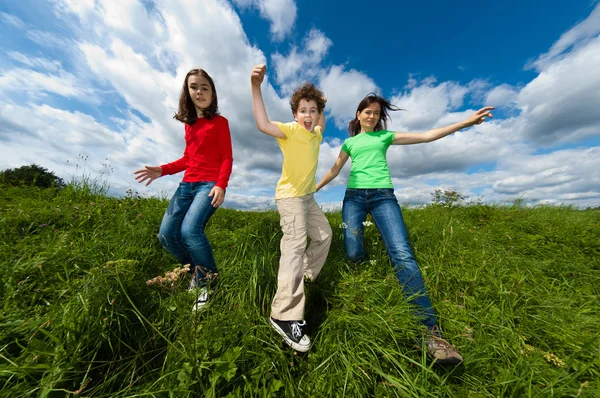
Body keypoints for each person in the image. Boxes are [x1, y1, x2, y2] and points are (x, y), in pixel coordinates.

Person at [317, 93, 494, 365]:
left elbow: (426, 136)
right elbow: (334, 169)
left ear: (379, 118)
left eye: (376, 112)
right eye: (367, 111)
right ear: (358, 115)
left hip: (382, 196)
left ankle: (430, 334)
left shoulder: (384, 137)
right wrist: (313, 188)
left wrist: (465, 123)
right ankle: (365, 272)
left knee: (401, 253)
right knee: (352, 250)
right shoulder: (350, 142)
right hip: (353, 197)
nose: (371, 115)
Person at [134, 68, 233, 312]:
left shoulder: (220, 123)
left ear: (212, 93)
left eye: (204, 87)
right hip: (187, 185)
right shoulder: (189, 126)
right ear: (187, 92)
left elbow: (227, 157)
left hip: (209, 185)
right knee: (166, 235)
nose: (199, 91)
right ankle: (195, 270)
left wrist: (221, 184)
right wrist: (163, 170)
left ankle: (208, 282)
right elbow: (188, 158)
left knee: (190, 230)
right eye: (194, 87)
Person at [250, 64, 332, 352]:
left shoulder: (317, 135)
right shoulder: (290, 132)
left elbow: (322, 119)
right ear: (295, 114)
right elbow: (262, 124)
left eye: (312, 110)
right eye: (303, 111)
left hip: (308, 197)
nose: (308, 116)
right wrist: (256, 86)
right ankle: (284, 315)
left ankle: (302, 275)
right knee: (295, 246)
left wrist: (322, 103)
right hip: (290, 198)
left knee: (324, 235)